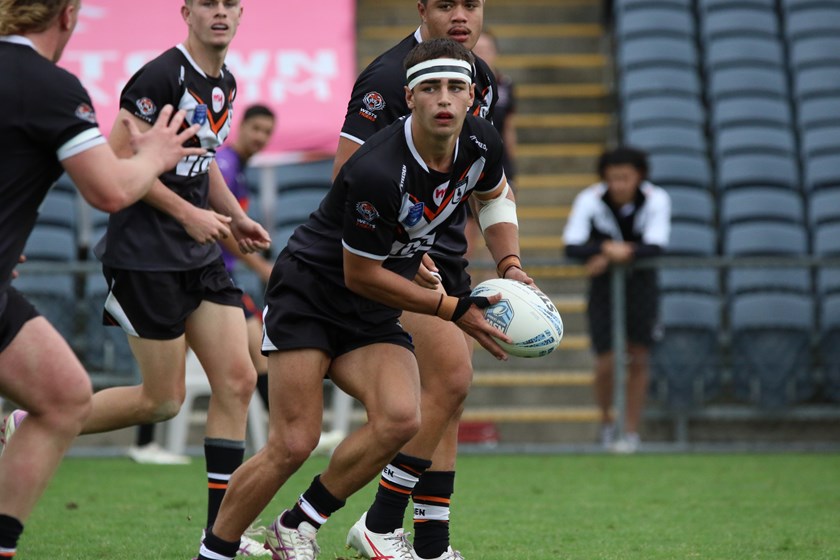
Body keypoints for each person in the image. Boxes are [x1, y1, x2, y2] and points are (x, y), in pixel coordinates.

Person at [195, 38, 527, 560]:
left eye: (455, 88)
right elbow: (361, 273)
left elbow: (493, 194)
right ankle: (214, 550)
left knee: (401, 417)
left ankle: (296, 524)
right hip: (312, 291)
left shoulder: (482, 141)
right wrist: (453, 308)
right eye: (430, 88)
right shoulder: (378, 169)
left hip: (371, 304)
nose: (444, 99)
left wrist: (510, 265)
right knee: (293, 442)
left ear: (472, 98)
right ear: (410, 98)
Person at [4, 0, 273, 556]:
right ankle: (30, 422)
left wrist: (232, 216)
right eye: (208, 4)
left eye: (230, 4)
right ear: (187, 12)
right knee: (162, 400)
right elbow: (122, 163)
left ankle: (219, 534)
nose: (219, 13)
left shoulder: (225, 81)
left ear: (242, 14)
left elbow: (203, 162)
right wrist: (188, 214)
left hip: (197, 256)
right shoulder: (158, 76)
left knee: (239, 379)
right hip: (145, 254)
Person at [332, 3, 529, 559]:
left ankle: (431, 545)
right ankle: (373, 521)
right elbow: (347, 179)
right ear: (422, 8)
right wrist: (401, 251)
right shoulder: (388, 79)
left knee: (449, 396)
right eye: (446, 3)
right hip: (393, 262)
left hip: (446, 258)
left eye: (472, 3)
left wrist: (509, 262)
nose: (461, 14)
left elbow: (492, 185)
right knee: (448, 383)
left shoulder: (478, 79)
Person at [128, 104, 276, 466]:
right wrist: (259, 267)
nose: (260, 137)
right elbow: (222, 227)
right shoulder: (221, 164)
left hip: (210, 278)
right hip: (201, 274)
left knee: (242, 368)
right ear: (238, 126)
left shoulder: (235, 168)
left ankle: (282, 432)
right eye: (255, 128)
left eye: (267, 132)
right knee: (165, 392)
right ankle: (286, 429)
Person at [563, 146, 671, 454]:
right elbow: (571, 246)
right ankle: (608, 423)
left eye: (626, 178)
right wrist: (609, 251)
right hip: (603, 289)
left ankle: (632, 430)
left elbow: (657, 245)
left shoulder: (656, 199)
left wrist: (612, 253)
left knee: (639, 357)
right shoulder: (590, 199)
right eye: (613, 178)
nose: (620, 185)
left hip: (641, 287)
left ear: (639, 177)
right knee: (605, 361)